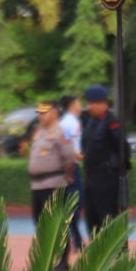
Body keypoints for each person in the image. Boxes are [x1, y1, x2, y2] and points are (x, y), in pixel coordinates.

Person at [27, 99, 78, 271]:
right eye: (39, 113)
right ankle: (46, 260)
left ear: (55, 113)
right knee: (40, 224)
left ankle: (63, 261)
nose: (41, 116)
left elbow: (69, 157)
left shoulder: (62, 132)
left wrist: (67, 175)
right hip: (37, 185)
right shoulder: (39, 132)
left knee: (57, 224)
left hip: (54, 183)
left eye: (44, 112)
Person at [80, 84, 127, 233]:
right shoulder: (91, 122)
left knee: (107, 220)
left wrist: (116, 171)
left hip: (106, 178)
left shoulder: (112, 123)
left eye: (92, 103)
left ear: (103, 103)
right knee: (92, 221)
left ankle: (114, 256)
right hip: (91, 178)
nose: (89, 107)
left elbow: (122, 149)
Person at [59, 94, 86, 251]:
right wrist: (79, 155)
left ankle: (76, 239)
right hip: (70, 168)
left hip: (75, 166)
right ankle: (75, 240)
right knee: (74, 204)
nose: (80, 106)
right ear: (71, 105)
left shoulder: (73, 121)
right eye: (78, 103)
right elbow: (67, 144)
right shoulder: (67, 123)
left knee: (75, 204)